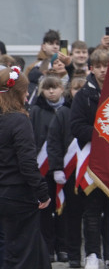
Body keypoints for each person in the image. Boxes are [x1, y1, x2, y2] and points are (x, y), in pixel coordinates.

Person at [0, 66, 53, 269]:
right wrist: (42, 191)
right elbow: (27, 162)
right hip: (16, 196)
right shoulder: (19, 120)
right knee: (18, 252)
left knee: (3, 249)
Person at [69, 47, 109, 269]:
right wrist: (102, 133)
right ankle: (92, 254)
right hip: (92, 158)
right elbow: (76, 126)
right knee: (92, 210)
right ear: (91, 69)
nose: (103, 71)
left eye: (107, 66)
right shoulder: (84, 95)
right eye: (99, 66)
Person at [46, 76, 86, 267]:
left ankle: (96, 253)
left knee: (92, 215)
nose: (78, 92)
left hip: (89, 171)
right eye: (75, 88)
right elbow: (53, 142)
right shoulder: (63, 113)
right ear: (70, 91)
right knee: (72, 215)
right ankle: (73, 255)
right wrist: (56, 168)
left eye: (82, 88)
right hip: (69, 173)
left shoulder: (94, 111)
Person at [29, 76, 65, 259]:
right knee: (45, 209)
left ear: (62, 89)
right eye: (47, 88)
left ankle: (63, 247)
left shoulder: (66, 110)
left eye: (55, 87)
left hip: (63, 166)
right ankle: (47, 248)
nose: (51, 91)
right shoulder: (35, 110)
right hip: (42, 166)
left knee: (63, 208)